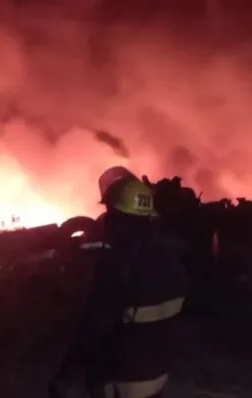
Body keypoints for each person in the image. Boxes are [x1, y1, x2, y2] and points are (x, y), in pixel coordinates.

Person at [49, 166, 188, 398]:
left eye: (110, 212)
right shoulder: (172, 260)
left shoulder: (118, 267)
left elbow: (92, 330)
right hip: (158, 379)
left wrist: (66, 375)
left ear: (118, 216)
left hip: (121, 384)